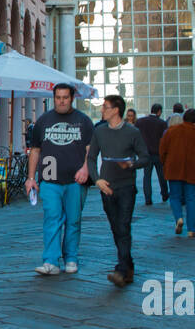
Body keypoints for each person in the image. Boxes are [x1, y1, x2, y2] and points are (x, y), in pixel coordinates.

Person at [24, 83, 93, 275]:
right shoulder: (43, 121)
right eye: (58, 97)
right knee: (51, 218)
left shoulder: (84, 121)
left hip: (76, 180)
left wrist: (86, 168)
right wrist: (30, 178)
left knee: (73, 220)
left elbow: (91, 150)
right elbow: (35, 150)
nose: (61, 101)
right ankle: (51, 261)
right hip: (49, 178)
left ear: (72, 98)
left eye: (65, 97)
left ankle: (71, 258)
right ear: (53, 98)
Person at [87, 94, 150, 287]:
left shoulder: (132, 132)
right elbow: (91, 158)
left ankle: (122, 270)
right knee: (116, 227)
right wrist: (97, 180)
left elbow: (145, 158)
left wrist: (132, 164)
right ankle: (128, 264)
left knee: (123, 225)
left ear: (116, 110)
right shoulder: (100, 132)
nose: (102, 110)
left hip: (126, 186)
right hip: (106, 186)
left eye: (105, 107)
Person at [160, 108, 195, 237]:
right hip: (193, 171)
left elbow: (162, 150)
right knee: (192, 199)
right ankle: (191, 229)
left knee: (175, 196)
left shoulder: (171, 131)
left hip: (174, 169)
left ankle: (178, 218)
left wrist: (166, 163)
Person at [135, 104, 169, 205]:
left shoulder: (141, 122)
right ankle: (164, 194)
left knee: (147, 176)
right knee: (162, 175)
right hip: (158, 153)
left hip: (145, 153)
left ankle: (148, 198)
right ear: (159, 112)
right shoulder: (162, 123)